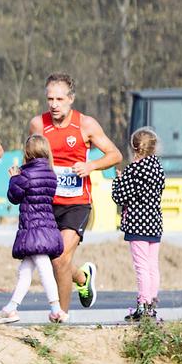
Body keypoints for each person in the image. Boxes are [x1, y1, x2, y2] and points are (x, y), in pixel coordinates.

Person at [29, 73, 122, 316]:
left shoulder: (86, 125)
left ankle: (62, 318)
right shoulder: (38, 124)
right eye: (50, 98)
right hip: (47, 202)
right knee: (51, 258)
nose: (54, 104)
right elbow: (30, 155)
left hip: (76, 203)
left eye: (59, 99)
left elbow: (115, 155)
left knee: (59, 258)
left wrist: (90, 166)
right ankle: (82, 277)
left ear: (71, 99)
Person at [0, 135, 66, 324]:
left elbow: (14, 197)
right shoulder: (51, 173)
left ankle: (56, 309)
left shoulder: (24, 175)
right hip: (47, 226)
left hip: (32, 228)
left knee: (43, 266)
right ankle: (11, 308)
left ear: (27, 152)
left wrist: (14, 178)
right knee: (25, 270)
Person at [112, 127, 165, 321]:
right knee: (152, 266)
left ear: (134, 148)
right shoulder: (158, 169)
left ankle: (142, 305)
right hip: (154, 222)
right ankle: (151, 306)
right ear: (153, 148)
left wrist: (118, 181)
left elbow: (119, 196)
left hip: (137, 224)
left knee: (141, 266)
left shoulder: (133, 170)